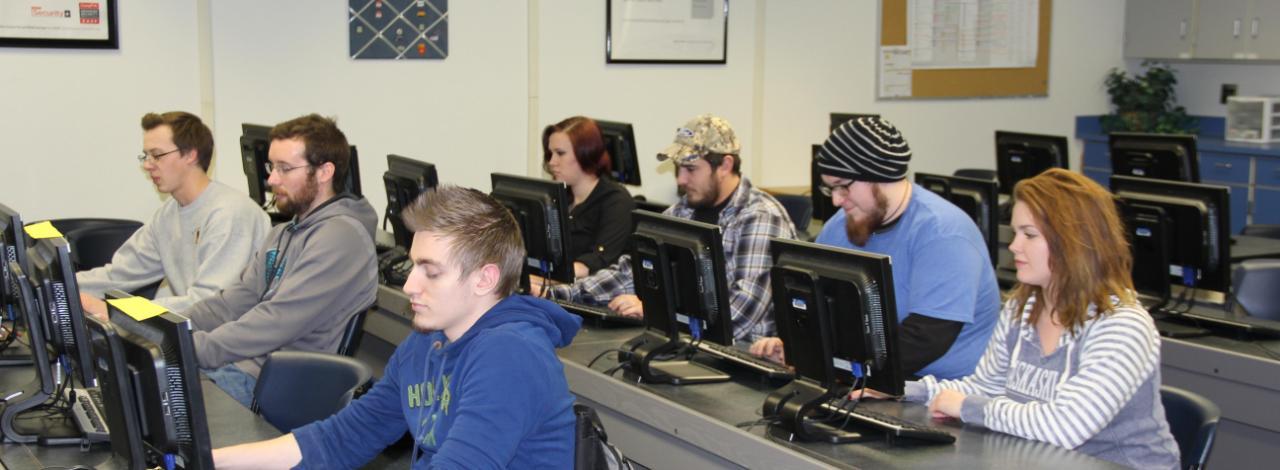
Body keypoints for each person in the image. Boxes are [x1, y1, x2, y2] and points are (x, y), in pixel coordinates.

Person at [213, 185, 581, 469]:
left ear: (484, 279)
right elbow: (343, 437)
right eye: (413, 266)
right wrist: (211, 460)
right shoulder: (426, 341)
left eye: (431, 272)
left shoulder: (510, 354)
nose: (409, 286)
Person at [878, 169, 1180, 468]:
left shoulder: (1122, 325)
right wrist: (897, 389)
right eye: (1016, 232)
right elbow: (986, 386)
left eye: (1029, 235)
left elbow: (1066, 426)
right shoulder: (1023, 308)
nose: (1014, 246)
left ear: (1073, 242)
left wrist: (968, 407)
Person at [750, 116, 999, 379]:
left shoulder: (944, 233)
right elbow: (820, 306)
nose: (836, 200)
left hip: (938, 392)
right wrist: (795, 349)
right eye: (829, 188)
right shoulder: (841, 226)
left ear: (879, 177)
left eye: (843, 187)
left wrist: (843, 371)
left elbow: (926, 339)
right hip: (867, 375)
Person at [178, 114, 379, 407]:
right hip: (244, 368)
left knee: (150, 404)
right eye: (273, 167)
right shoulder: (285, 232)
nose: (272, 179)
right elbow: (231, 303)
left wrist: (188, 349)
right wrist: (170, 327)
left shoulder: (341, 238)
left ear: (324, 172)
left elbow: (275, 322)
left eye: (285, 169)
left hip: (275, 386)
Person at [542, 114, 796, 342]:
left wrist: (658, 311)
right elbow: (629, 273)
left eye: (690, 169)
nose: (680, 180)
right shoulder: (683, 211)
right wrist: (558, 294)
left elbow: (740, 314)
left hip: (745, 356)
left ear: (726, 166)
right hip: (691, 342)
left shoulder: (761, 217)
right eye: (678, 168)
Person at [77, 111, 269, 317]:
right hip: (200, 332)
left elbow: (208, 303)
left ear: (190, 155)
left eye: (157, 155)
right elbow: (119, 275)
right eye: (145, 156)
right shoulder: (168, 214)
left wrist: (117, 311)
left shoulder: (230, 214)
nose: (147, 165)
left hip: (229, 339)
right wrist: (63, 287)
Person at [542, 116, 636, 278]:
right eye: (550, 154)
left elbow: (598, 262)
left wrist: (548, 275)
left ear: (585, 153)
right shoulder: (556, 198)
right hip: (556, 285)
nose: (552, 162)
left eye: (560, 153)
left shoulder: (616, 202)